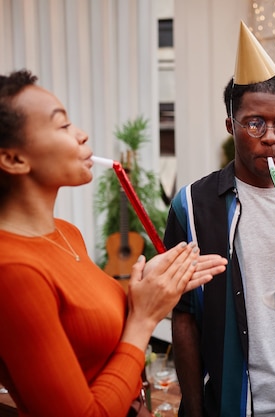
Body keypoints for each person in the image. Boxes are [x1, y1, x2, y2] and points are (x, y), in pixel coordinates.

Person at [0, 69, 228, 417]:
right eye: (62, 126)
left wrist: (152, 286)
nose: (81, 135)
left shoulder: (65, 233)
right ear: (13, 159)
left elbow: (87, 325)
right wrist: (143, 319)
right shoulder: (12, 270)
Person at [163, 22, 275, 417]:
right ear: (231, 126)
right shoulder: (194, 205)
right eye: (255, 123)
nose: (271, 137)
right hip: (231, 402)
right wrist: (193, 407)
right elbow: (184, 315)